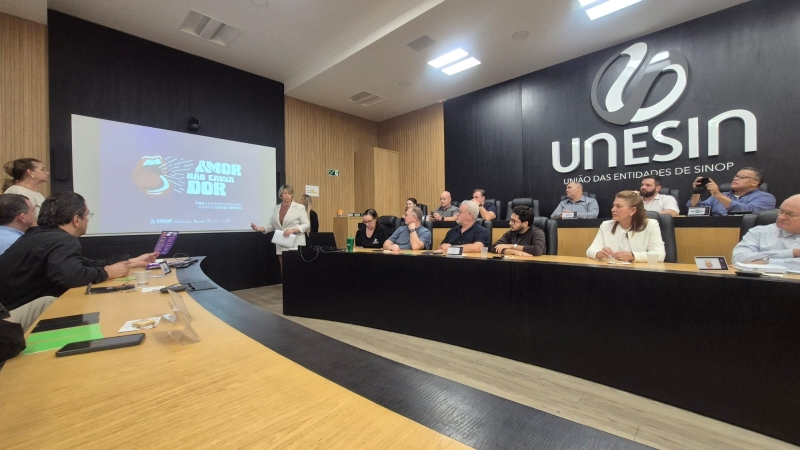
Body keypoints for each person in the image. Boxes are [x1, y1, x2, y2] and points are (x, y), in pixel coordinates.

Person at [0, 192, 157, 330]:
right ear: (76, 220)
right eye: (87, 215)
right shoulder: (63, 241)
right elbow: (72, 276)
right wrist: (107, 272)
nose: (87, 220)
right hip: (9, 321)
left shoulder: (39, 235)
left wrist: (131, 262)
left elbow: (84, 263)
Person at [586, 191, 665, 262]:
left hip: (639, 271)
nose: (613, 209)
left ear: (633, 210)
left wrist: (633, 256)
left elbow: (659, 255)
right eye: (613, 206)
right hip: (612, 270)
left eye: (619, 206)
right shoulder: (606, 225)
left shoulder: (651, 225)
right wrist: (599, 253)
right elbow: (590, 250)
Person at [251, 184, 310, 275]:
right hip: (281, 242)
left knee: (295, 268)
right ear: (280, 195)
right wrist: (259, 228)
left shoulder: (299, 208)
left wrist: (293, 230)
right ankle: (285, 284)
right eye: (285, 193)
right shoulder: (276, 208)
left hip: (294, 242)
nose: (287, 195)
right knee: (284, 269)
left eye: (289, 193)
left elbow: (306, 224)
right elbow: (272, 225)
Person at [731, 194, 800, 270]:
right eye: (781, 211)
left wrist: (766, 262)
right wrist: (792, 253)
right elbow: (738, 259)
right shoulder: (759, 232)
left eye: (791, 214)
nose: (781, 217)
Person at [687, 167, 776, 216]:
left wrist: (718, 194)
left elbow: (747, 212)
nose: (735, 179)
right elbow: (695, 209)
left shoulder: (766, 197)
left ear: (755, 182)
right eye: (736, 176)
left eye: (742, 177)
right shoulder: (721, 195)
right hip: (715, 232)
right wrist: (697, 191)